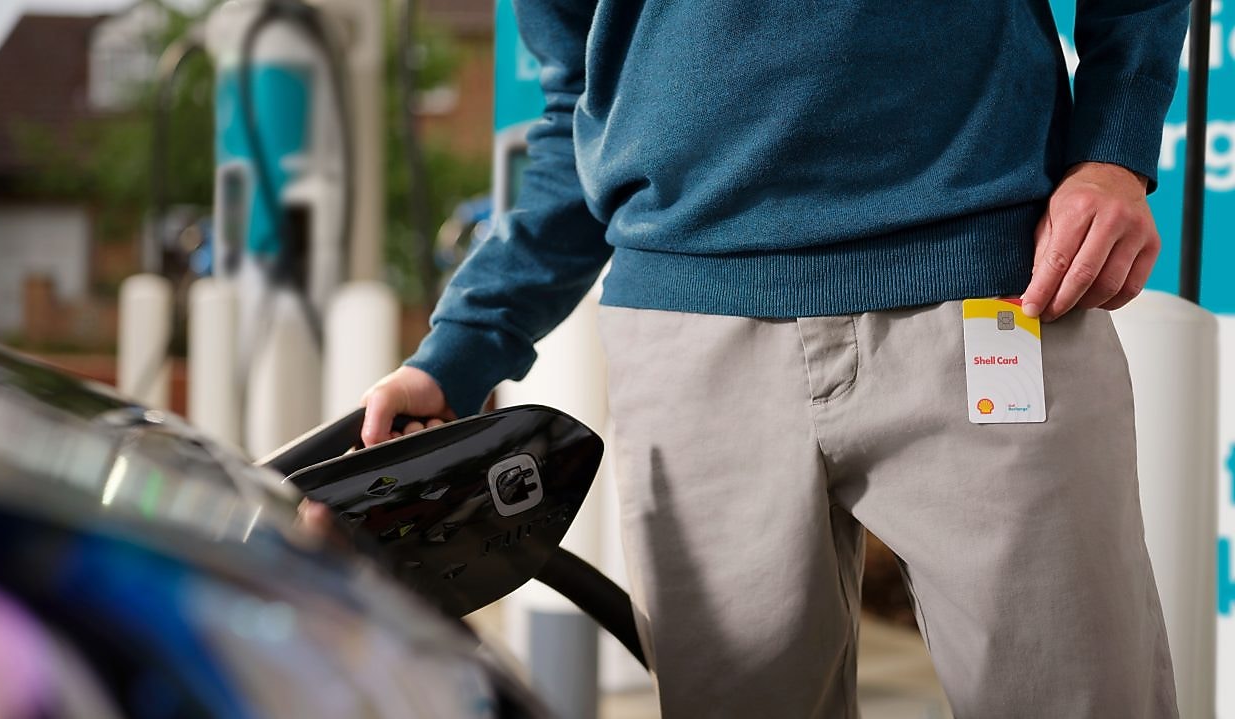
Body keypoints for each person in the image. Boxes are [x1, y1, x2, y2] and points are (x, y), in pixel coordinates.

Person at [362, 1, 1190, 716]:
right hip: (691, 340)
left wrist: (1115, 154)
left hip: (995, 293)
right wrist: (457, 355)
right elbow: (581, 106)